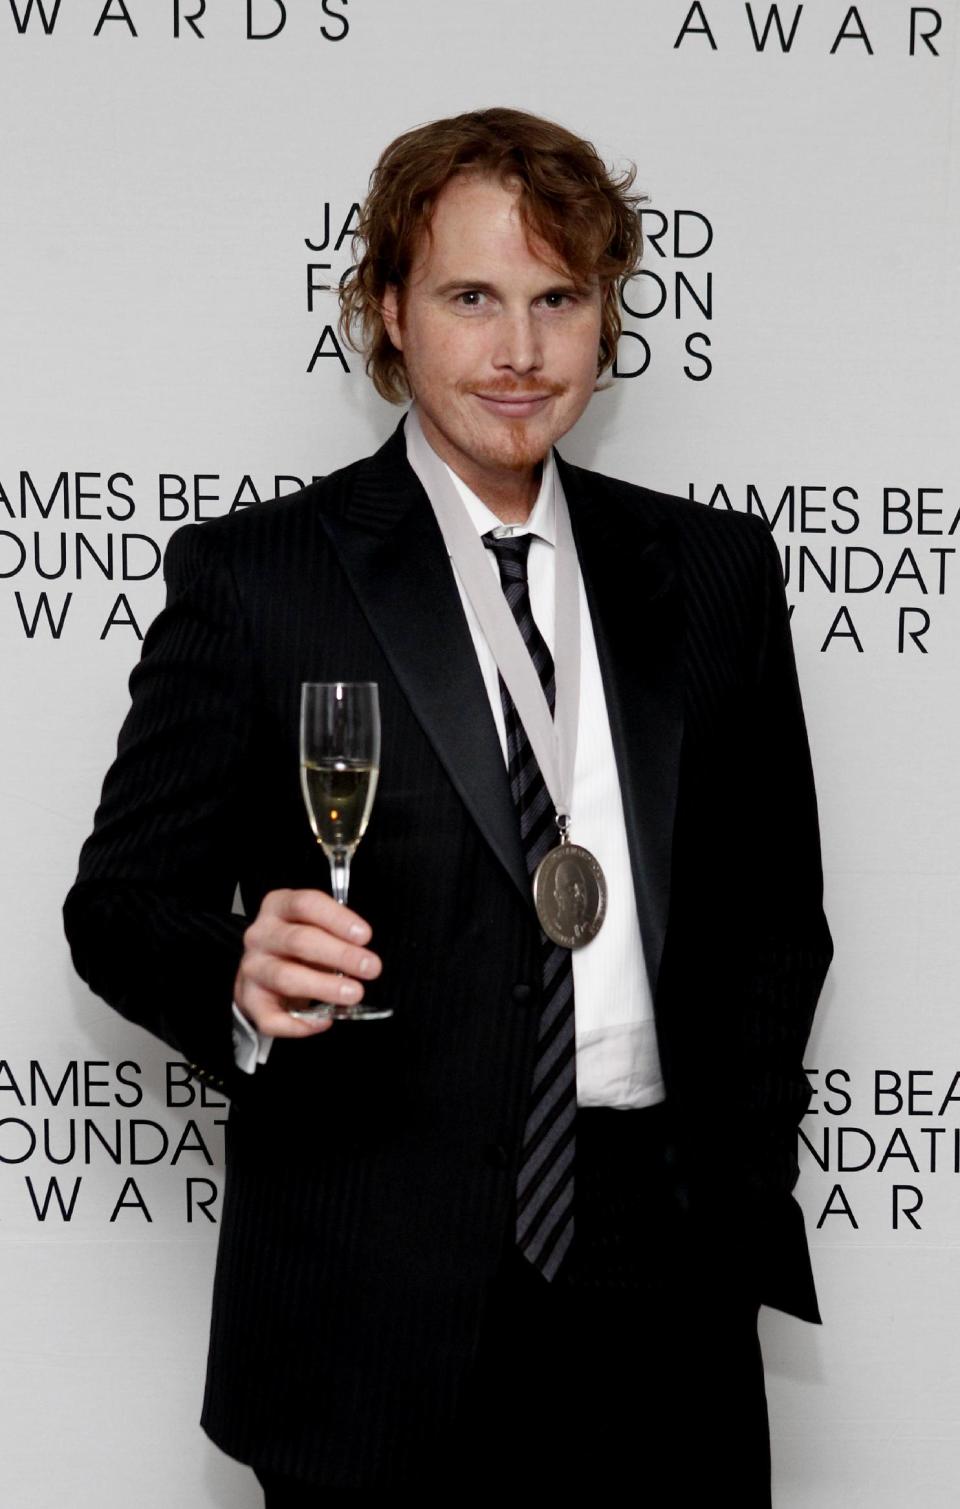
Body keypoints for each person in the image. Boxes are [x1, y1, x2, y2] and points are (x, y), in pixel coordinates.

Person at [63, 107, 833, 1506]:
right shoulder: (259, 577)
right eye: (473, 296)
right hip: (372, 1296)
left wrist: (729, 1182)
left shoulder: (714, 572)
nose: (521, 349)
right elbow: (119, 908)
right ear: (388, 311)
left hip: (661, 1291)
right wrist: (234, 970)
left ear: (606, 315)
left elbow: (777, 920)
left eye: (559, 299)